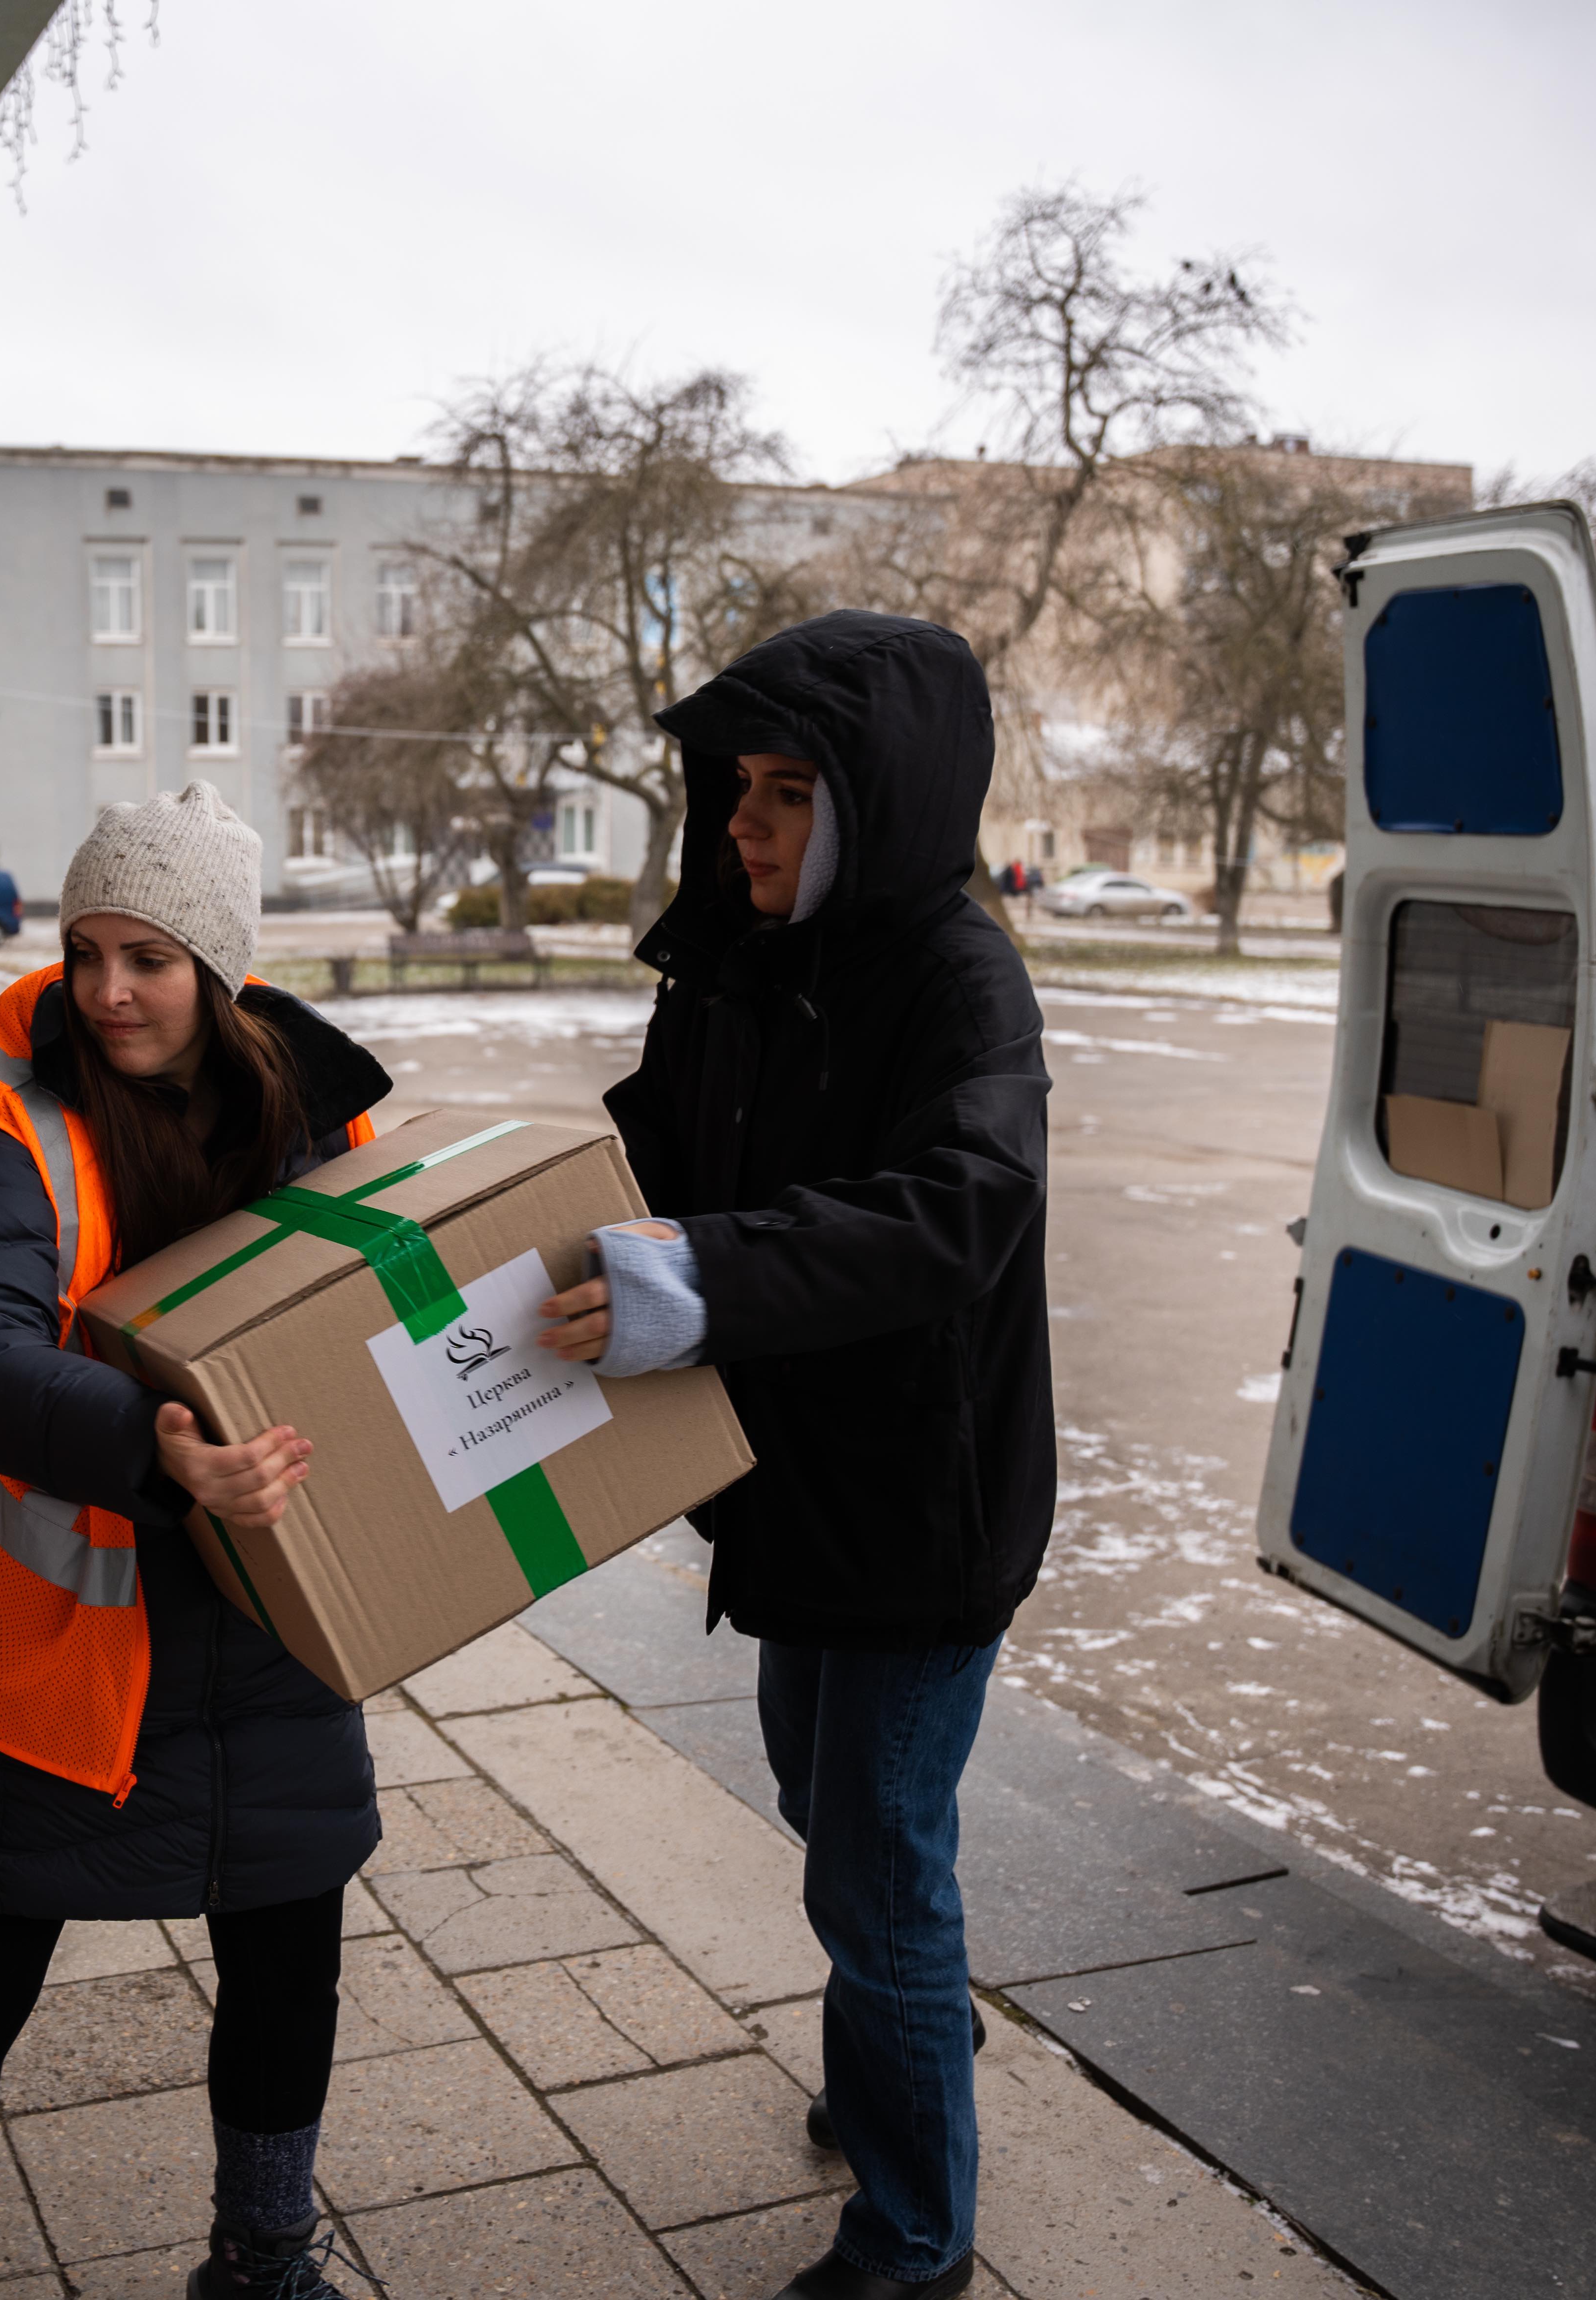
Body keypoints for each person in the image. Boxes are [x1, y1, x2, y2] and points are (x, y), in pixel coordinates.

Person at [542, 611, 1053, 2300]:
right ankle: (904, 2034)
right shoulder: (735, 969)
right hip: (793, 1491)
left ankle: (914, 2236)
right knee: (822, 1811)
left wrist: (696, 1281)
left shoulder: (957, 976)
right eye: (734, 789)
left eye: (786, 792)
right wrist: (475, 1212)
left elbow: (959, 1208)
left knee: (878, 1858)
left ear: (877, 804)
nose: (744, 825)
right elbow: (646, 1151)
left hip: (923, 1501)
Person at [0, 782, 396, 2300]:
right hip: (42, 1645)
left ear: (219, 968)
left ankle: (264, 2260)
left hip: (263, 1618)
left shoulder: (309, 1108)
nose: (107, 993)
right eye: (87, 952)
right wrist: (150, 1443)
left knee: (291, 1958)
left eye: (147, 959)